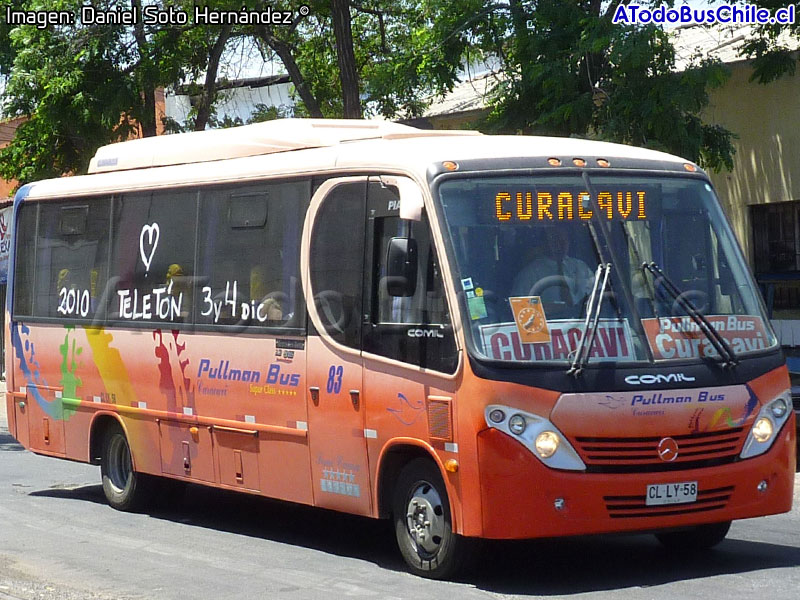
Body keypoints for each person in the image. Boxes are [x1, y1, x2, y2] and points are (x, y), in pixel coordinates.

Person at [510, 226, 595, 318]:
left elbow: (599, 296)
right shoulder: (530, 273)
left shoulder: (581, 267)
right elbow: (520, 307)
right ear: (544, 244)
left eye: (564, 240)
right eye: (555, 240)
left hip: (585, 324)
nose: (561, 244)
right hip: (548, 326)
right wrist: (543, 308)